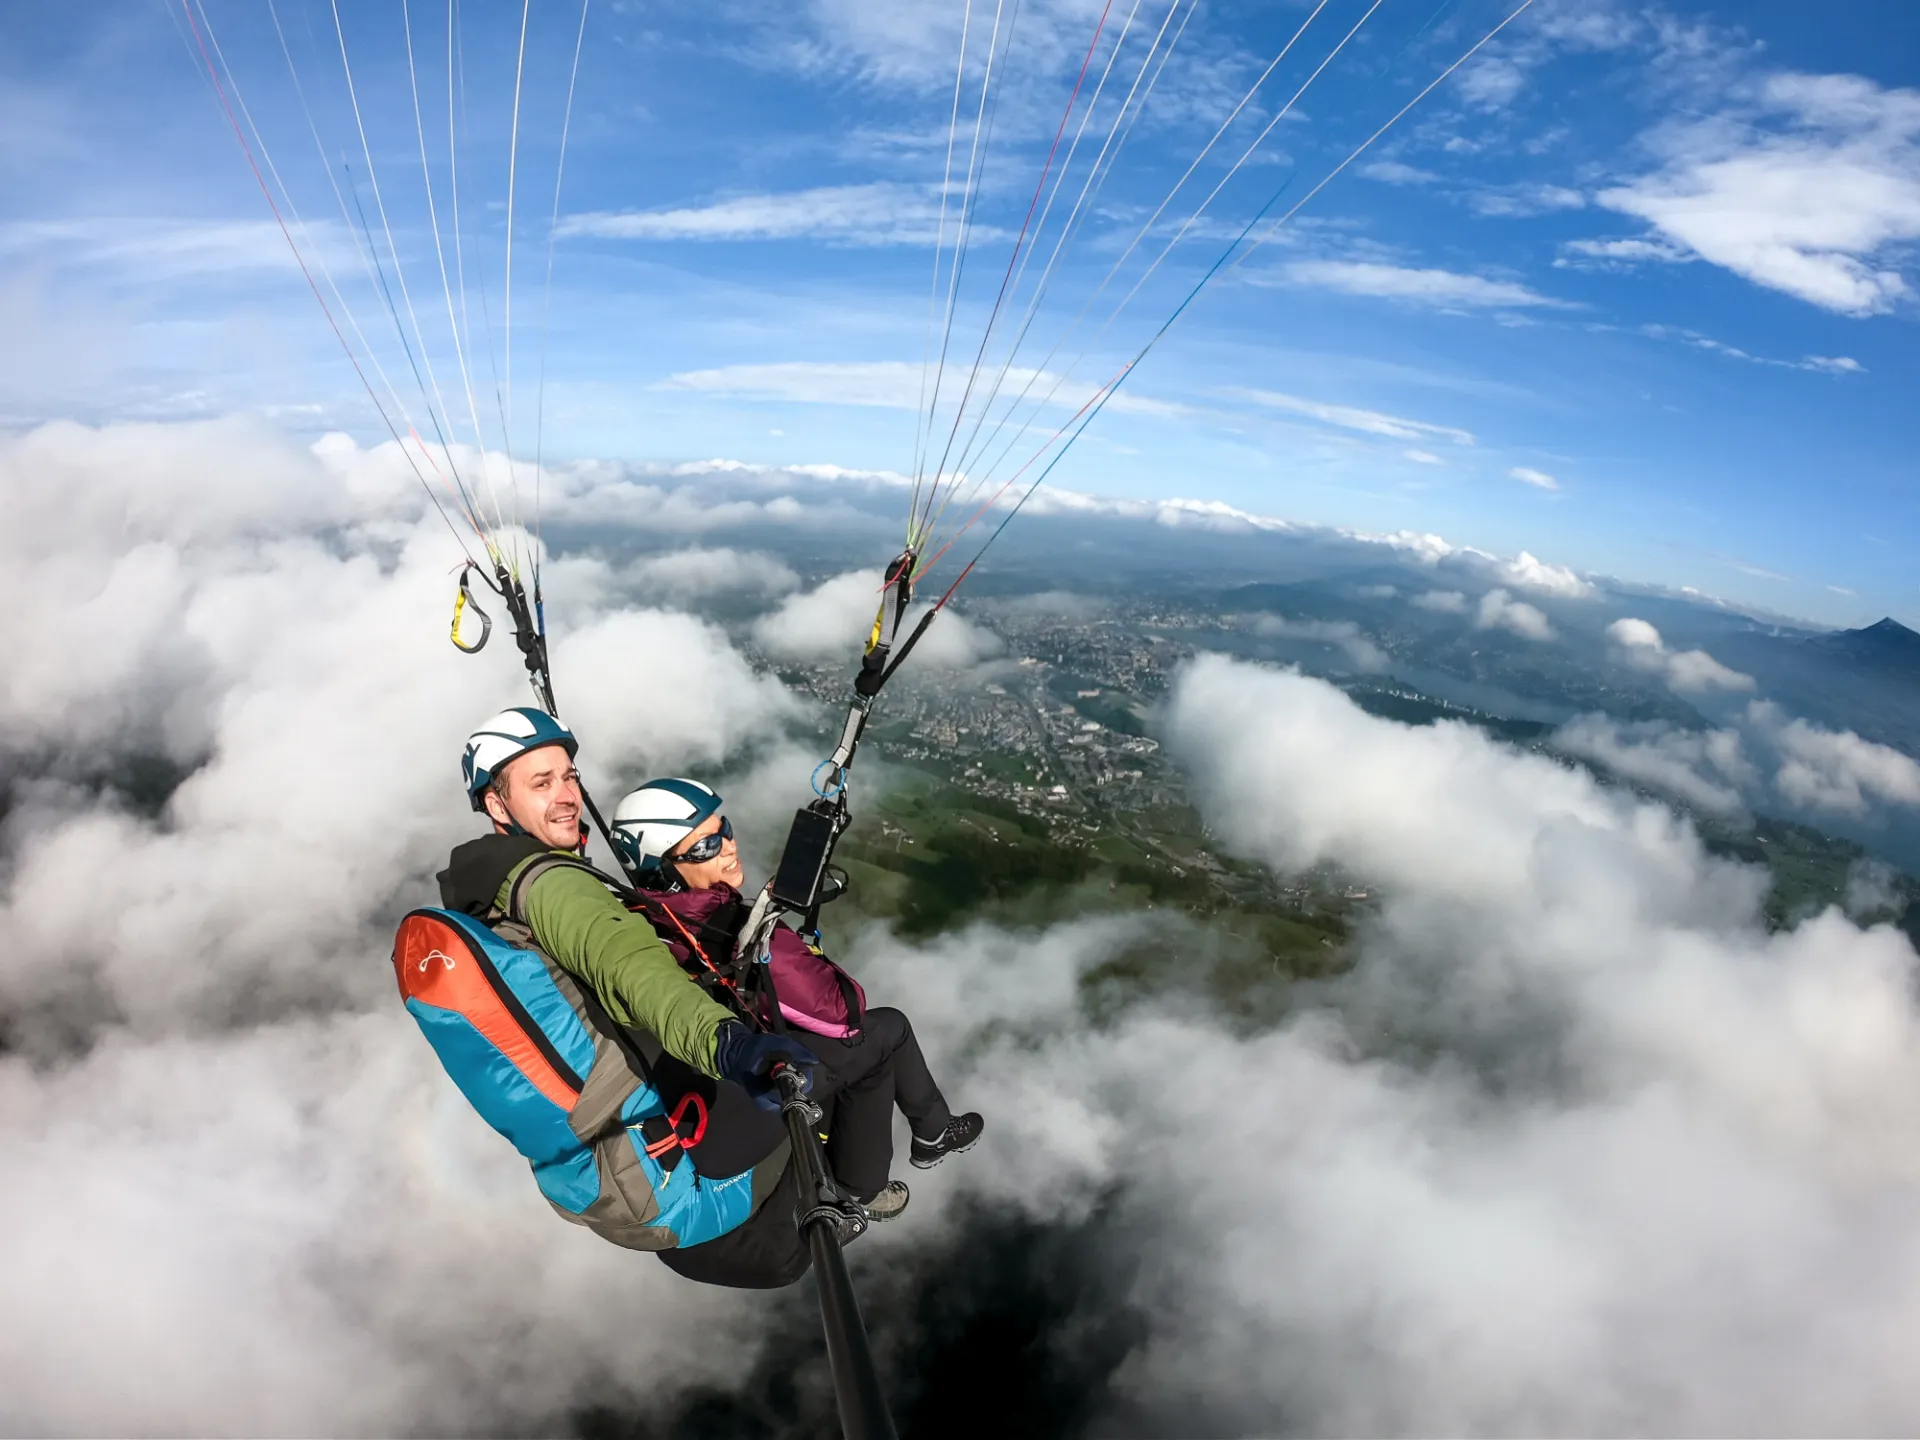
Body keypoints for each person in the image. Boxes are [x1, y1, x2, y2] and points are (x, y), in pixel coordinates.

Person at [432, 707, 822, 1289]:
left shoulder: (485, 897)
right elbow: (636, 975)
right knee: (835, 1060)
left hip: (611, 1175)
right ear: (497, 804)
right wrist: (730, 1045)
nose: (567, 796)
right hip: (695, 1196)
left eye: (569, 776)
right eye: (541, 783)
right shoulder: (555, 887)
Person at [611, 778, 984, 1222]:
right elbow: (844, 1012)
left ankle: (924, 1134)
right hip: (741, 1095)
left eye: (724, 829)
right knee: (885, 1033)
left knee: (870, 1040)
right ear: (664, 872)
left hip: (705, 1081)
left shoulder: (640, 915)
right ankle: (877, 1177)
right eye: (706, 846)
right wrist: (789, 947)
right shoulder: (722, 925)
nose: (729, 846)